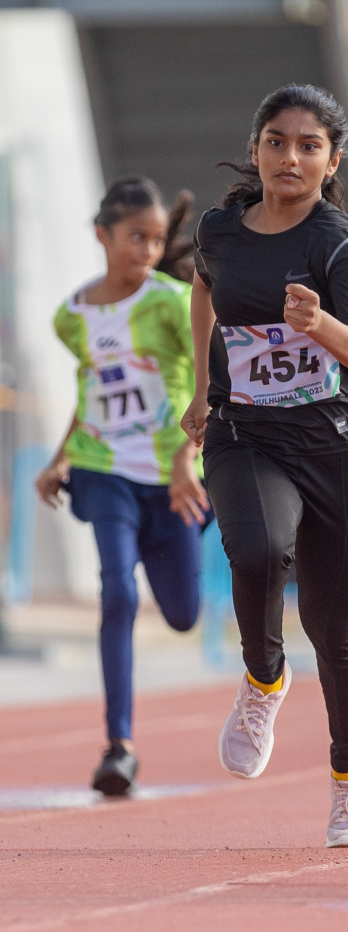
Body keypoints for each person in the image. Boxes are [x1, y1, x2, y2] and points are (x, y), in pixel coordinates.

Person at [181, 84, 348, 848]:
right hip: (246, 433)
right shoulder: (219, 230)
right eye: (276, 141)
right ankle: (263, 679)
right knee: (259, 546)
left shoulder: (342, 246)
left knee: (337, 630)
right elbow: (202, 286)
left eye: (308, 146)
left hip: (332, 446)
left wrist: (321, 323)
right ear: (257, 147)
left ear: (333, 160)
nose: (289, 157)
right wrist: (207, 385)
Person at [35, 176, 207, 797]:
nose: (148, 252)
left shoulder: (172, 304)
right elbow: (91, 393)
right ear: (102, 235)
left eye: (158, 241)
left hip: (173, 477)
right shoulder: (71, 316)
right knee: (117, 592)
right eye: (136, 238)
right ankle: (119, 746)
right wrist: (58, 459)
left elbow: (213, 385)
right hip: (101, 469)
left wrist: (189, 455)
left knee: (184, 615)